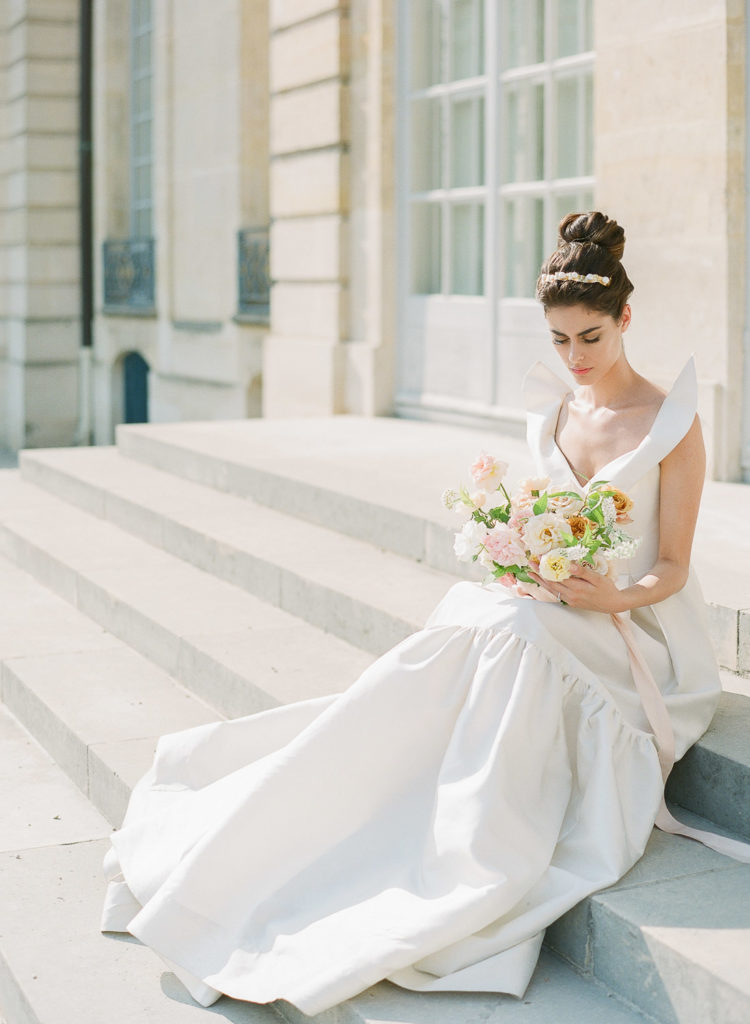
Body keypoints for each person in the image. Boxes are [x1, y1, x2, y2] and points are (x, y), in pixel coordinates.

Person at [100, 212, 743, 1016]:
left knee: (509, 632)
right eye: (558, 341)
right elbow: (538, 516)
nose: (575, 358)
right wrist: (520, 555)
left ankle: (463, 853)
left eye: (590, 337)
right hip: (555, 605)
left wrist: (611, 595)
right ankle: (350, 808)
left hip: (640, 635)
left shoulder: (672, 424)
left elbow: (674, 569)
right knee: (476, 613)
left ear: (625, 319)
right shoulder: (553, 408)